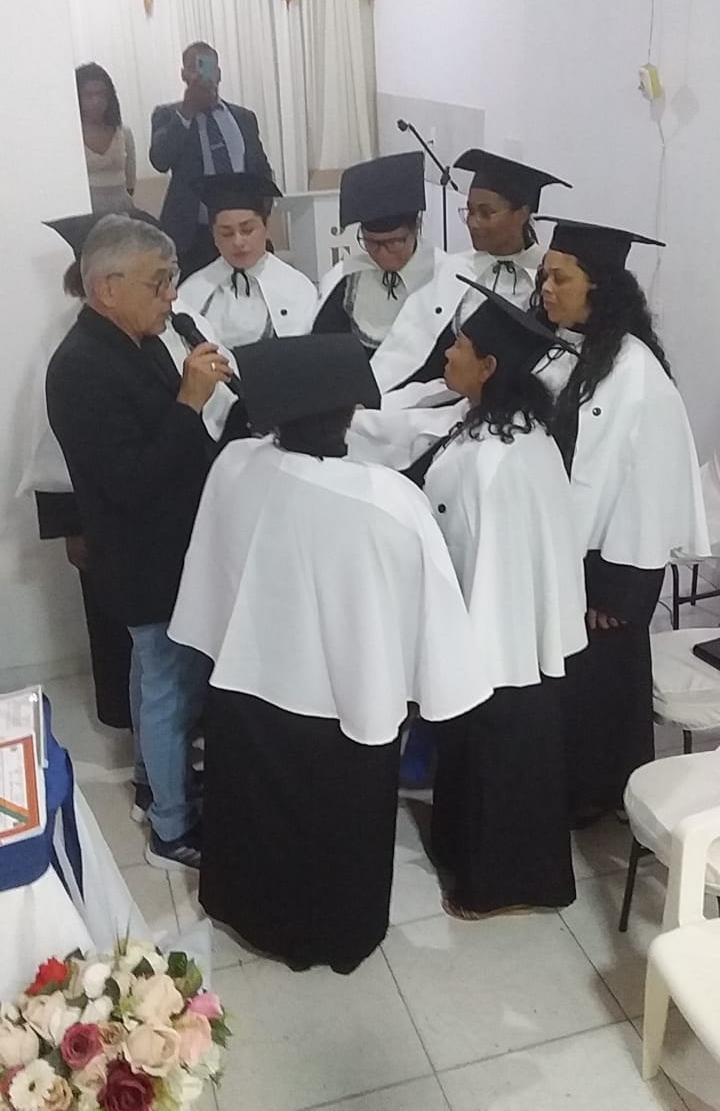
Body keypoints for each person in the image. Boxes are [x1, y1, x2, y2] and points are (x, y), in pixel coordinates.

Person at [168, 334, 485, 973]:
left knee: (254, 809)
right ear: (349, 415)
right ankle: (337, 936)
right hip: (347, 696)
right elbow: (427, 604)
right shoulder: (389, 498)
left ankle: (247, 910)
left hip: (250, 681)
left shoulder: (235, 465)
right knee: (336, 824)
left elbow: (215, 565)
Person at [370, 279, 587, 914]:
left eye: (459, 345)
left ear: (489, 366)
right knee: (473, 753)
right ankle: (460, 853)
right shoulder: (499, 427)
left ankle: (499, 889)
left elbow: (491, 562)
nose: (448, 353)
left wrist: (470, 647)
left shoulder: (499, 459)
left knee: (499, 759)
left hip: (500, 642)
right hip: (498, 630)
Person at [45, 214, 233, 871]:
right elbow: (129, 480)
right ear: (108, 288)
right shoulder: (80, 368)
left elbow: (170, 443)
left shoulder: (140, 339)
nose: (171, 296)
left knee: (154, 672)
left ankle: (155, 786)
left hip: (171, 542)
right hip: (142, 553)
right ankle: (171, 832)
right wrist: (189, 402)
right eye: (159, 283)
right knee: (167, 682)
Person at [534, 217, 710, 822]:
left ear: (599, 286)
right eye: (543, 276)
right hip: (564, 555)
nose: (546, 288)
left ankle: (600, 796)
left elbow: (648, 494)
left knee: (599, 691)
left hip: (608, 573)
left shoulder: (637, 375)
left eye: (560, 278)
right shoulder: (565, 349)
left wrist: (618, 591)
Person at [364, 150, 571, 398]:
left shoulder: (549, 276)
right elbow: (406, 345)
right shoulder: (451, 269)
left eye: (486, 213)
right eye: (470, 211)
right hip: (445, 395)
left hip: (519, 398)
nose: (473, 223)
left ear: (522, 214)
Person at [150, 42, 273, 277]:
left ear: (218, 73)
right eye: (194, 68)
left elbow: (261, 169)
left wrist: (260, 213)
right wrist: (187, 111)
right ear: (184, 75)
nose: (201, 74)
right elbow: (160, 160)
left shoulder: (244, 118)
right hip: (191, 236)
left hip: (241, 232)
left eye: (207, 67)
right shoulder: (167, 115)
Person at [178, 173, 317, 356]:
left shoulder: (297, 288)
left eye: (247, 230)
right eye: (226, 233)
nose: (238, 242)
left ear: (266, 228)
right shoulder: (192, 290)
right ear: (214, 236)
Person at [313, 152, 437, 354]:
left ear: (416, 228)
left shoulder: (443, 275)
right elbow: (324, 348)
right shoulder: (347, 280)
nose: (382, 254)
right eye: (371, 242)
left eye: (394, 242)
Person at [76, 63, 136, 213]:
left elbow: (130, 181)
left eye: (101, 94)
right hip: (85, 212)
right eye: (88, 95)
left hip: (122, 210)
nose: (96, 101)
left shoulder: (123, 133)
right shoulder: (71, 137)